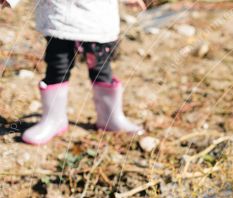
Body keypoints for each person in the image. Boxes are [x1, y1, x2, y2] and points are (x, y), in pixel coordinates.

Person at [2, 0, 146, 145]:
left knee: (100, 67)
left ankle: (110, 117)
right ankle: (54, 119)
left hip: (98, 15)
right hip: (60, 15)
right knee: (57, 66)